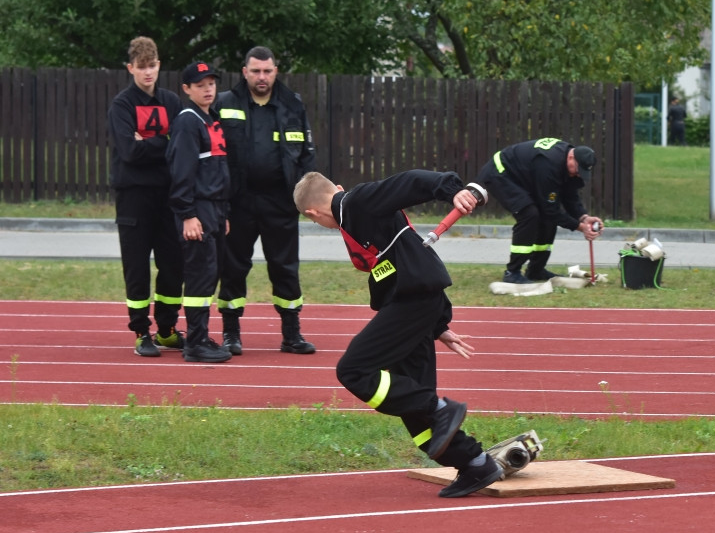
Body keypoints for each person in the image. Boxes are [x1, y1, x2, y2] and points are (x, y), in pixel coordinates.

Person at [293, 169, 501, 498]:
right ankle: (476, 464)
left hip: (413, 302)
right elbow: (404, 266)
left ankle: (439, 408)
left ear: (312, 214)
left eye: (316, 223)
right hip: (416, 304)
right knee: (416, 417)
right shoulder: (353, 219)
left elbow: (411, 182)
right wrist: (438, 327)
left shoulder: (356, 202)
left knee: (353, 370)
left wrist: (452, 191)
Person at [215, 46, 318, 356]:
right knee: (233, 268)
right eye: (256, 71)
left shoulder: (292, 105)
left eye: (268, 71)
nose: (262, 77)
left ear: (276, 72)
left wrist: (305, 196)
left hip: (280, 202)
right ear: (244, 72)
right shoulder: (224, 103)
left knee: (285, 267)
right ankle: (231, 333)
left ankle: (292, 334)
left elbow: (306, 157)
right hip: (238, 202)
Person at [106, 36, 185, 357]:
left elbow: (183, 143)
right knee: (136, 267)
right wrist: (164, 141)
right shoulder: (121, 105)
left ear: (159, 66)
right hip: (134, 198)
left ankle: (166, 328)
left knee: (173, 265)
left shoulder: (171, 102)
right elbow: (129, 152)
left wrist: (149, 142)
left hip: (169, 197)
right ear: (131, 68)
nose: (147, 72)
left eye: (152, 66)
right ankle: (142, 332)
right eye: (141, 67)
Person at [166, 62, 234, 363]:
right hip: (199, 211)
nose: (208, 89)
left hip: (216, 210)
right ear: (186, 89)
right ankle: (195, 343)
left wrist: (224, 213)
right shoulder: (187, 121)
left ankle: (201, 335)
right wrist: (187, 214)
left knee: (211, 274)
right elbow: (181, 172)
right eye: (200, 84)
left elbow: (217, 171)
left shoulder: (211, 118)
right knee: (199, 275)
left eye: (211, 83)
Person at [472, 138, 603, 284]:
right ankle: (512, 273)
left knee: (547, 221)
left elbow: (570, 195)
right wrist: (580, 227)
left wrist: (583, 217)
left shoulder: (567, 165)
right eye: (578, 170)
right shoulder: (549, 165)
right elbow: (550, 210)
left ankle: (536, 270)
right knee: (529, 214)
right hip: (500, 173)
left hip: (523, 176)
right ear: (571, 157)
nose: (578, 174)